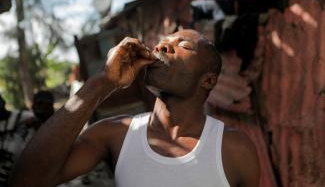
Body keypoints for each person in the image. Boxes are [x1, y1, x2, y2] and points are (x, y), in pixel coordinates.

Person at [10, 29, 260, 187]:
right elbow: (27, 180)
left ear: (208, 80)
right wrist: (103, 81)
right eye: (162, 42)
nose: (162, 47)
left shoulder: (234, 149)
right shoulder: (115, 134)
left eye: (183, 46)